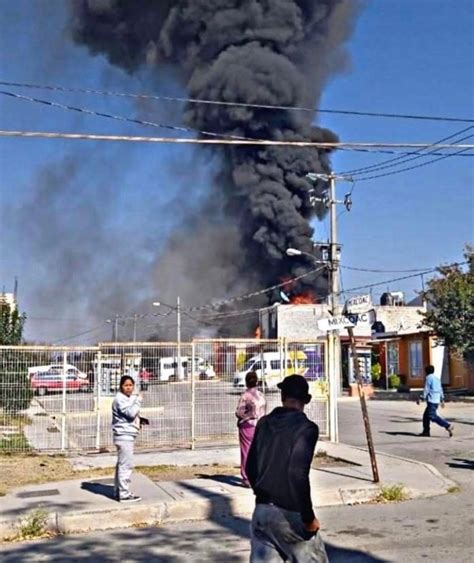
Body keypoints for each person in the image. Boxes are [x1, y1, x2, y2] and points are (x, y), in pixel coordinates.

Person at [246, 374, 328, 562]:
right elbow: (297, 473)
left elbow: (250, 468)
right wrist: (308, 519)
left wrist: (263, 496)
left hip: (262, 512)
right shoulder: (307, 429)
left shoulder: (264, 423)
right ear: (306, 400)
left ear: (282, 397)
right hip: (290, 515)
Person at [112, 375, 143, 502]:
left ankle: (118, 490)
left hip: (125, 434)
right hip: (124, 436)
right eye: (126, 385)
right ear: (121, 386)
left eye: (131, 385)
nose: (129, 388)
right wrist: (139, 400)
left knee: (121, 465)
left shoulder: (125, 398)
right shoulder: (120, 399)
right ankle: (124, 494)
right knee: (126, 465)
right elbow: (130, 413)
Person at [235, 371, 266, 487]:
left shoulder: (245, 396)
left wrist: (245, 416)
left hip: (247, 426)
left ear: (246, 382)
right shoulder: (261, 396)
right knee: (257, 452)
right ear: (257, 381)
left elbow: (239, 412)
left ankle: (246, 478)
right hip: (260, 426)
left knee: (246, 452)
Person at [417, 365, 454, 437]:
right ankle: (426, 432)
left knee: (432, 416)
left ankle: (447, 425)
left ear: (426, 372)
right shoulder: (437, 378)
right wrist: (442, 399)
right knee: (426, 416)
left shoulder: (428, 378)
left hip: (432, 400)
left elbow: (426, 389)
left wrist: (421, 398)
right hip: (436, 400)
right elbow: (440, 389)